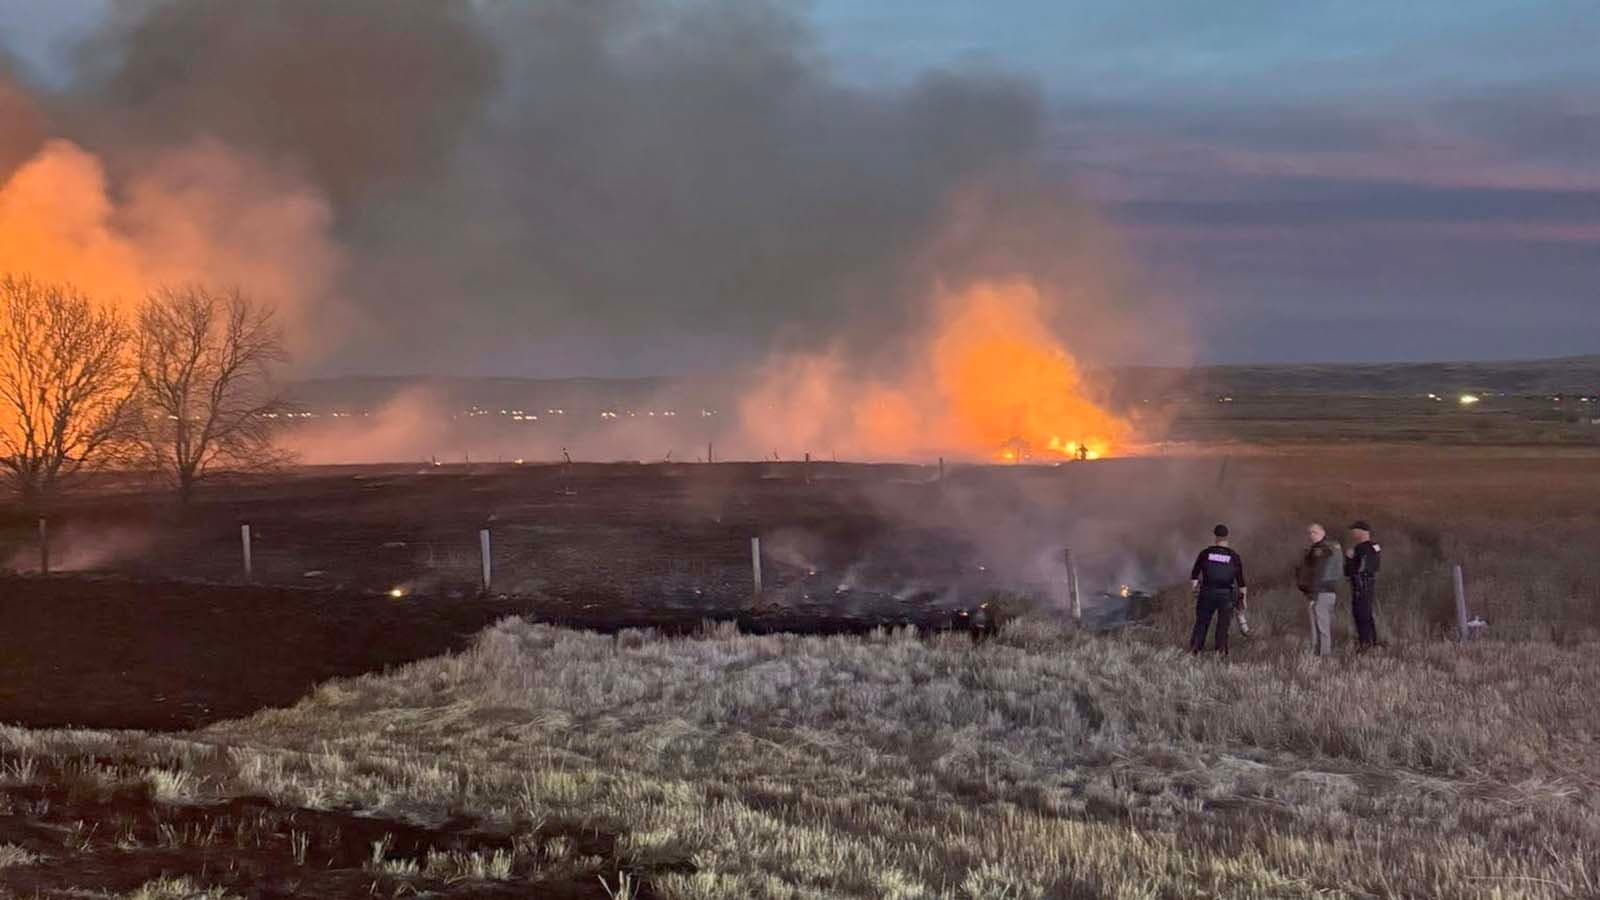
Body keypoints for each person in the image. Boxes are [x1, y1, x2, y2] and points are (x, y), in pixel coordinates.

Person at [1189, 524, 1247, 655]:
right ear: (1227, 537)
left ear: (1215, 537)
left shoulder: (1205, 553)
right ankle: (1220, 652)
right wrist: (1243, 600)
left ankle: (1195, 650)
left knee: (1202, 622)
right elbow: (1241, 582)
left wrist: (1195, 591)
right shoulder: (1234, 556)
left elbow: (1194, 575)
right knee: (1223, 626)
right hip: (1226, 595)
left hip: (1207, 592)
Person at [1295, 523, 1343, 656]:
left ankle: (1323, 655)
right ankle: (1321, 654)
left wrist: (1312, 596)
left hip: (1320, 592)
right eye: (1309, 533)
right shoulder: (1333, 547)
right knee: (1322, 625)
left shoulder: (1320, 550)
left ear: (1323, 532)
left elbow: (1318, 573)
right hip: (1330, 591)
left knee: (1319, 627)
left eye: (1314, 532)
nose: (1311, 535)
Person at [1344, 520, 1385, 650]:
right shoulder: (1375, 546)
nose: (1352, 533)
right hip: (1370, 583)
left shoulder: (1359, 549)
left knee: (1360, 614)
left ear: (1361, 532)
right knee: (1367, 614)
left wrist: (1349, 559)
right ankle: (1372, 642)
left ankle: (1365, 644)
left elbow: (1353, 570)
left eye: (1354, 531)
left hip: (1360, 584)